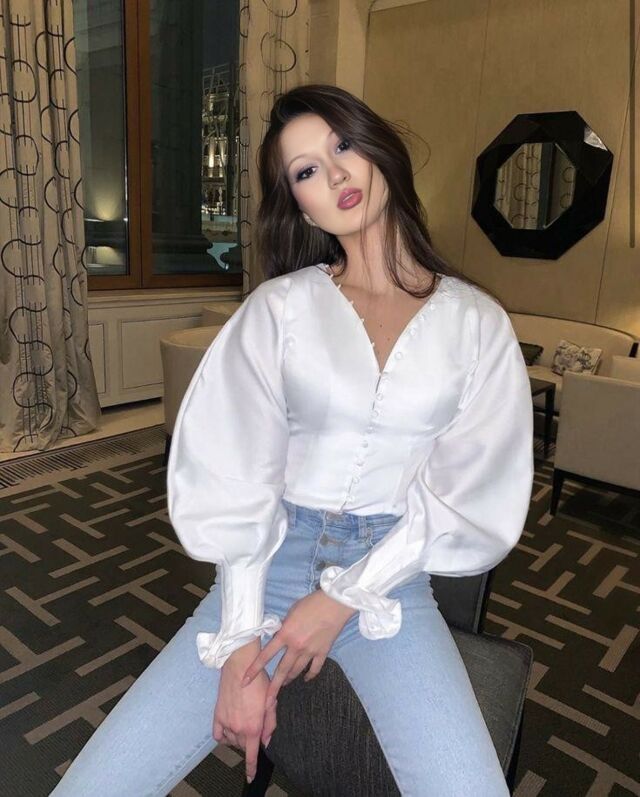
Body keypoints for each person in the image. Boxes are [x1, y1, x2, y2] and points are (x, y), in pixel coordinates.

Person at [51, 83, 534, 796]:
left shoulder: (478, 323)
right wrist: (240, 644)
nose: (334, 174)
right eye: (307, 169)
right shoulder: (278, 309)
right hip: (265, 560)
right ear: (300, 204)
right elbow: (237, 470)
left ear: (381, 151)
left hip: (388, 582)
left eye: (343, 145)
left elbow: (469, 492)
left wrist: (342, 598)